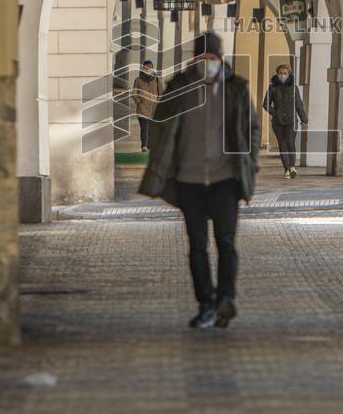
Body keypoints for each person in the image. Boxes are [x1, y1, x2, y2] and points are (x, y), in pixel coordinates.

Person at [139, 32, 260, 329]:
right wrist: (162, 161)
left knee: (227, 242)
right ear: (194, 58)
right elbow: (160, 126)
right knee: (197, 244)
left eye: (212, 58)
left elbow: (251, 128)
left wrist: (249, 163)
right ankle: (206, 303)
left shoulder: (236, 89)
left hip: (225, 179)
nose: (207, 63)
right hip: (189, 180)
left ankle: (226, 299)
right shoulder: (179, 87)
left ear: (220, 59)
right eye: (202, 58)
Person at [262, 64, 308, 178]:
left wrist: (304, 121)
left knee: (290, 142)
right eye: (280, 73)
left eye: (285, 73)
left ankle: (292, 167)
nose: (282, 75)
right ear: (277, 74)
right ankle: (286, 169)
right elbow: (266, 104)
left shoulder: (294, 88)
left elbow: (299, 105)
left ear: (289, 74)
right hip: (277, 122)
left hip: (291, 121)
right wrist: (275, 113)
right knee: (282, 144)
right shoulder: (272, 88)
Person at [131, 59, 161, 151]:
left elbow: (161, 92)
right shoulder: (138, 80)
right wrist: (139, 102)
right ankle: (144, 146)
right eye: (146, 68)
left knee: (152, 129)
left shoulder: (156, 79)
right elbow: (134, 93)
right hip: (142, 109)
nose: (148, 69)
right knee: (145, 128)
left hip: (153, 108)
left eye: (150, 67)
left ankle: (150, 146)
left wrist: (158, 102)